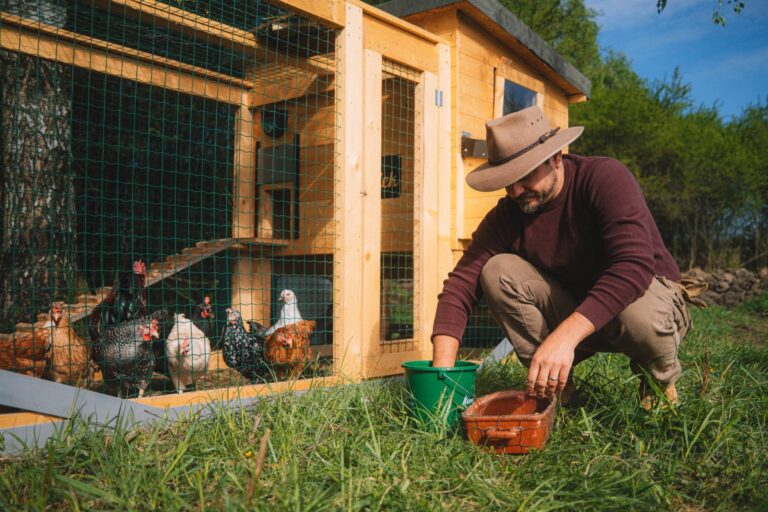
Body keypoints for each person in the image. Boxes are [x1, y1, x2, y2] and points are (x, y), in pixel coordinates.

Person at [431, 105, 692, 407]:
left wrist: (564, 337)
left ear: (556, 158)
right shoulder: (508, 214)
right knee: (496, 270)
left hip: (648, 309)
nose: (516, 191)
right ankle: (556, 391)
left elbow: (633, 265)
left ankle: (658, 388)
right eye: (507, 181)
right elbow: (460, 287)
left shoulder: (604, 178)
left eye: (525, 176)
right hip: (579, 308)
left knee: (635, 311)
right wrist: (442, 376)